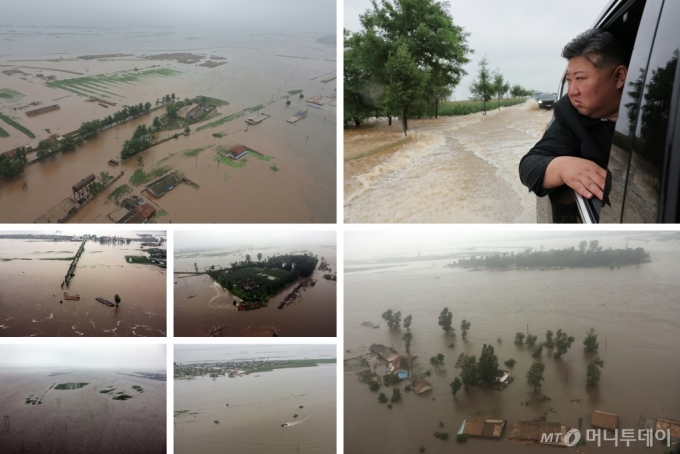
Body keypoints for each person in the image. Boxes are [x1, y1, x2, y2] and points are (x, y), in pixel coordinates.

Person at [519, 29, 628, 202]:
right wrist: (562, 167)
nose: (572, 91)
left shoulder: (657, 116)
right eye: (569, 80)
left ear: (619, 77)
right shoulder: (570, 115)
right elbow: (529, 166)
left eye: (580, 78)